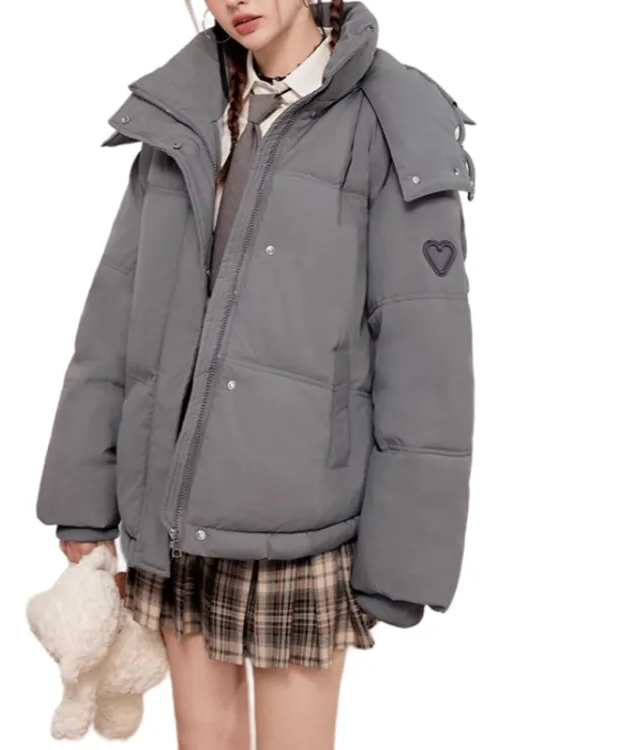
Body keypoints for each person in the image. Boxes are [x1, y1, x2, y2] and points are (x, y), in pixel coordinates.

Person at [36, 1, 476, 747]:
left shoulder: (392, 116)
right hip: (175, 509)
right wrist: (82, 499)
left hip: (303, 524)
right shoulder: (185, 108)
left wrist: (406, 560)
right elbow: (117, 314)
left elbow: (425, 354)